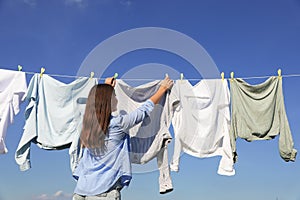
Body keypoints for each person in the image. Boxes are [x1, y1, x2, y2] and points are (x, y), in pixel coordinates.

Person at [73, 76, 174, 200]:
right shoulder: (118, 125)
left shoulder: (88, 127)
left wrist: (107, 88)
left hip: (81, 191)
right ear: (108, 100)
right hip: (103, 193)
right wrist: (162, 89)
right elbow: (143, 111)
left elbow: (97, 105)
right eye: (114, 96)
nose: (116, 98)